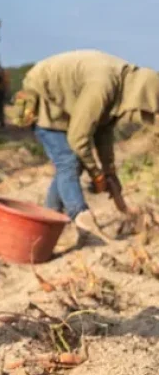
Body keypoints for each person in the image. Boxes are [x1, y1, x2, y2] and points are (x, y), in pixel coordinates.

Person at [12, 50, 159, 242]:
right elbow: (78, 137)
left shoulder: (122, 87)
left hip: (66, 103)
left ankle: (45, 222)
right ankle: (82, 218)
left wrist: (109, 172)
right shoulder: (103, 87)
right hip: (46, 98)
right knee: (69, 161)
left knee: (72, 164)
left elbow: (103, 132)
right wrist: (96, 173)